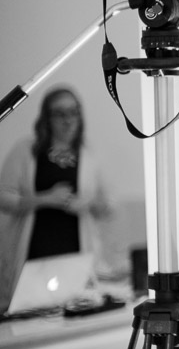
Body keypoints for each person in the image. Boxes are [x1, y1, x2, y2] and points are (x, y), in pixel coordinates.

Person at [0, 86, 112, 314]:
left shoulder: (89, 155)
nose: (68, 120)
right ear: (46, 118)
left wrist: (86, 203)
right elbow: (3, 198)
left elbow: (107, 206)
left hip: (76, 255)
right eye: (60, 113)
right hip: (34, 254)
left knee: (73, 313)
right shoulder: (26, 151)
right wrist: (45, 199)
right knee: (30, 315)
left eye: (73, 112)